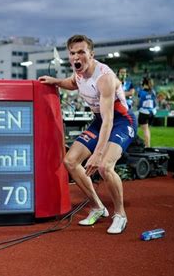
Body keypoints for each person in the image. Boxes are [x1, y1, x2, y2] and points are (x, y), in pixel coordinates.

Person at [39, 35, 137, 234]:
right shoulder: (79, 73)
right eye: (73, 53)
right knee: (70, 161)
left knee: (104, 167)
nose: (76, 56)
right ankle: (98, 207)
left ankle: (120, 215)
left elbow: (109, 121)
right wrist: (55, 81)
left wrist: (98, 153)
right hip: (99, 121)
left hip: (120, 122)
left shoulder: (105, 78)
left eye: (81, 52)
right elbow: (73, 82)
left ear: (91, 55)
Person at [137, 77, 157, 147]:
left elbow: (139, 103)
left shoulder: (142, 92)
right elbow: (155, 103)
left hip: (144, 112)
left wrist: (138, 107)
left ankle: (147, 146)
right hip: (152, 112)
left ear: (144, 84)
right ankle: (148, 144)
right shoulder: (153, 92)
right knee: (147, 130)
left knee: (145, 130)